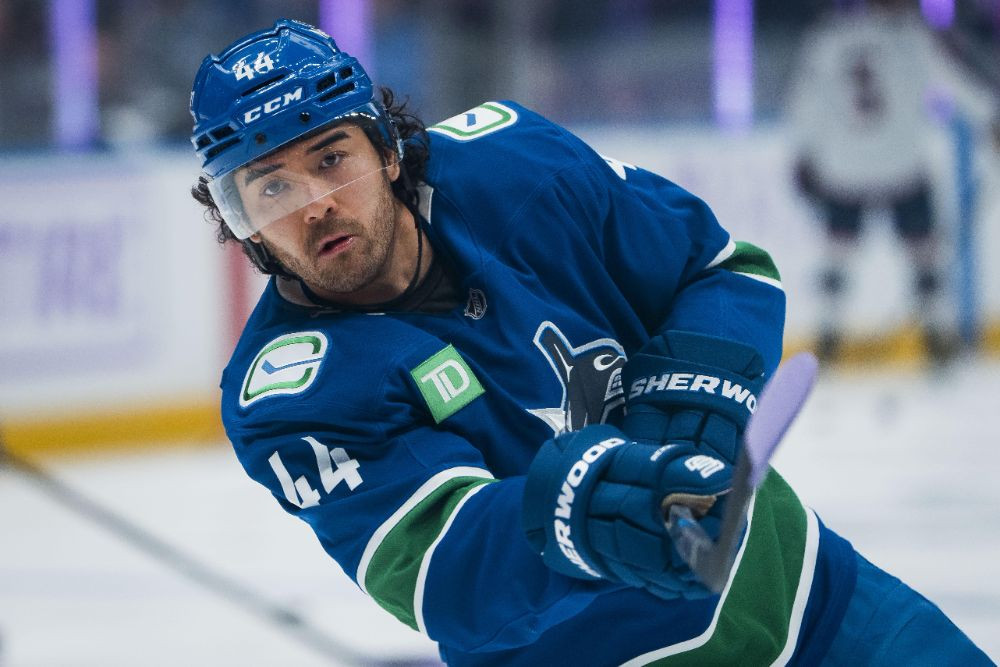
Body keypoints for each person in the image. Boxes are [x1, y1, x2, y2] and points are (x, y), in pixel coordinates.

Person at [190, 19, 992, 665]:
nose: (315, 204)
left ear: (388, 150)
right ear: (240, 223)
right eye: (272, 187)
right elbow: (443, 570)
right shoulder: (289, 394)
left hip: (808, 591)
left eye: (332, 158)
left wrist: (685, 417)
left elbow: (719, 269)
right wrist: (594, 506)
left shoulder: (514, 164)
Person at [787, 0, 997, 366]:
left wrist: (805, 153)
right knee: (923, 253)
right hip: (902, 163)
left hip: (845, 167)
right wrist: (991, 119)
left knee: (837, 254)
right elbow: (955, 80)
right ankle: (935, 336)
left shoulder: (828, 37)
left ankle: (827, 336)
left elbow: (803, 101)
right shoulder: (912, 37)